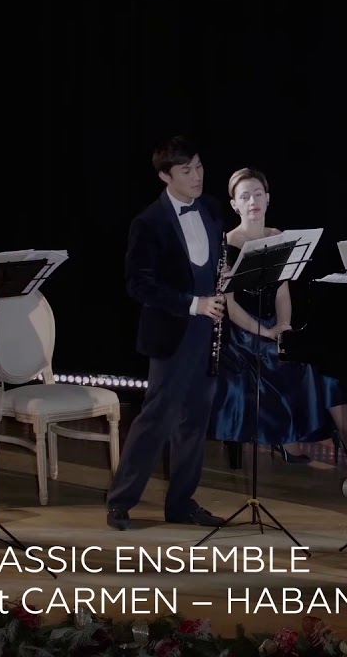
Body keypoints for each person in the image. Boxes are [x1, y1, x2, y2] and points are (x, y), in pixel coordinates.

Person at [107, 136, 226, 530]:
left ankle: (181, 503)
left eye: (199, 167)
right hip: (174, 330)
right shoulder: (149, 222)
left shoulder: (211, 209)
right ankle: (120, 501)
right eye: (186, 170)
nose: (197, 176)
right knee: (157, 417)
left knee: (195, 420)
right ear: (165, 176)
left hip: (209, 329)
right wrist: (193, 304)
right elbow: (138, 285)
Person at [209, 168, 347, 463]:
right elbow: (229, 306)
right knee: (285, 360)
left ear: (268, 198)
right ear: (234, 204)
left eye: (258, 194)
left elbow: (282, 291)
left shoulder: (277, 236)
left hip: (273, 324)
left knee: (323, 363)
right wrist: (266, 332)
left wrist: (283, 325)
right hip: (242, 335)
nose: (252, 202)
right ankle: (287, 436)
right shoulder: (226, 243)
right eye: (244, 197)